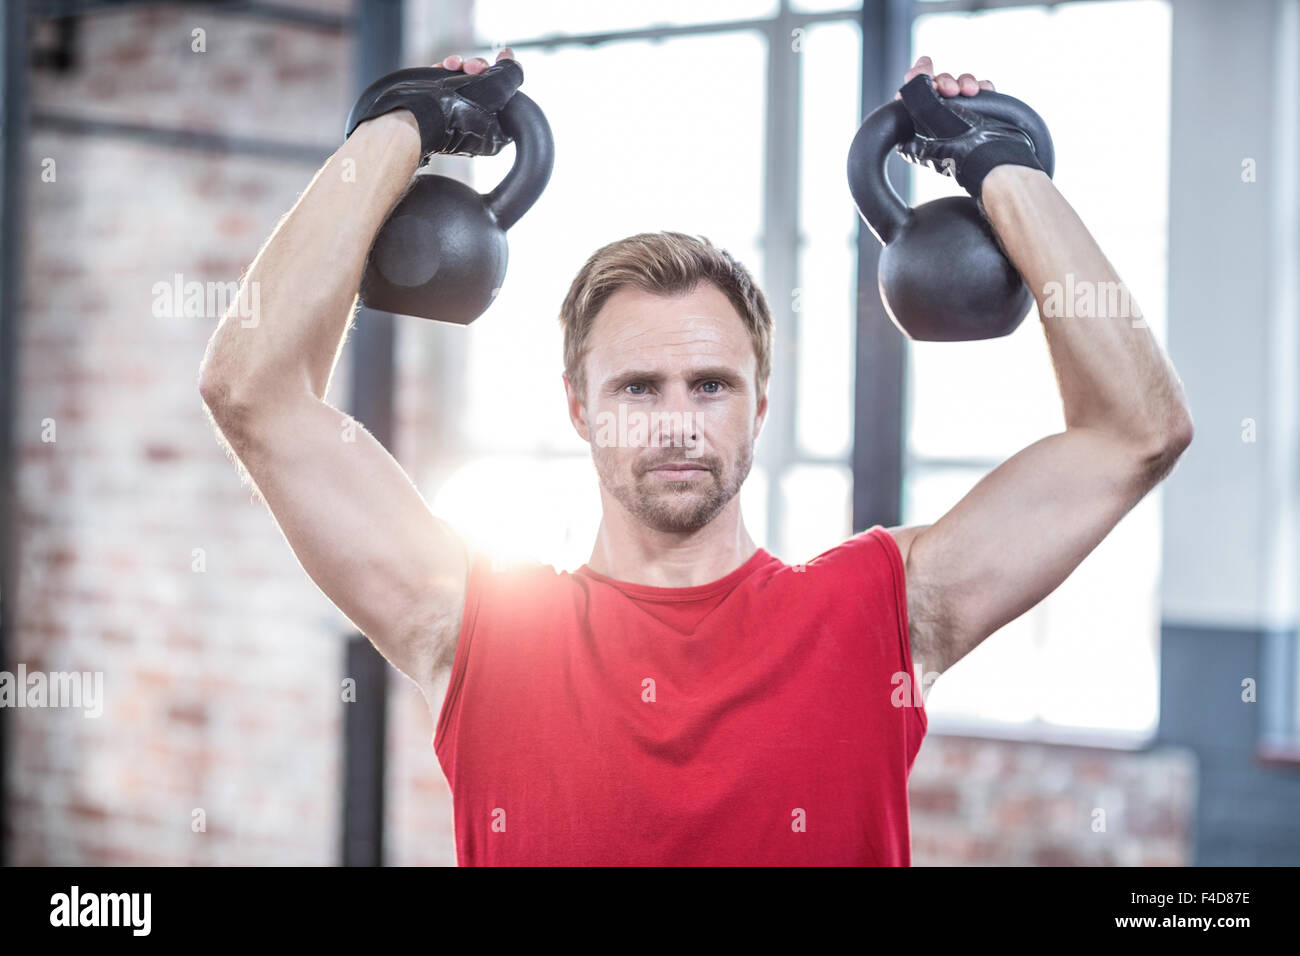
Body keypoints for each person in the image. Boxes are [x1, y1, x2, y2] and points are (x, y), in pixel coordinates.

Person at [198, 50, 1193, 866]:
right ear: (578, 409)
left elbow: (1134, 431)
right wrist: (401, 126)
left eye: (710, 385)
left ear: (759, 407)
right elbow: (252, 391)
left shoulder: (879, 610)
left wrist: (1002, 170)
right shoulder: (475, 623)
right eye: (638, 388)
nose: (678, 422)